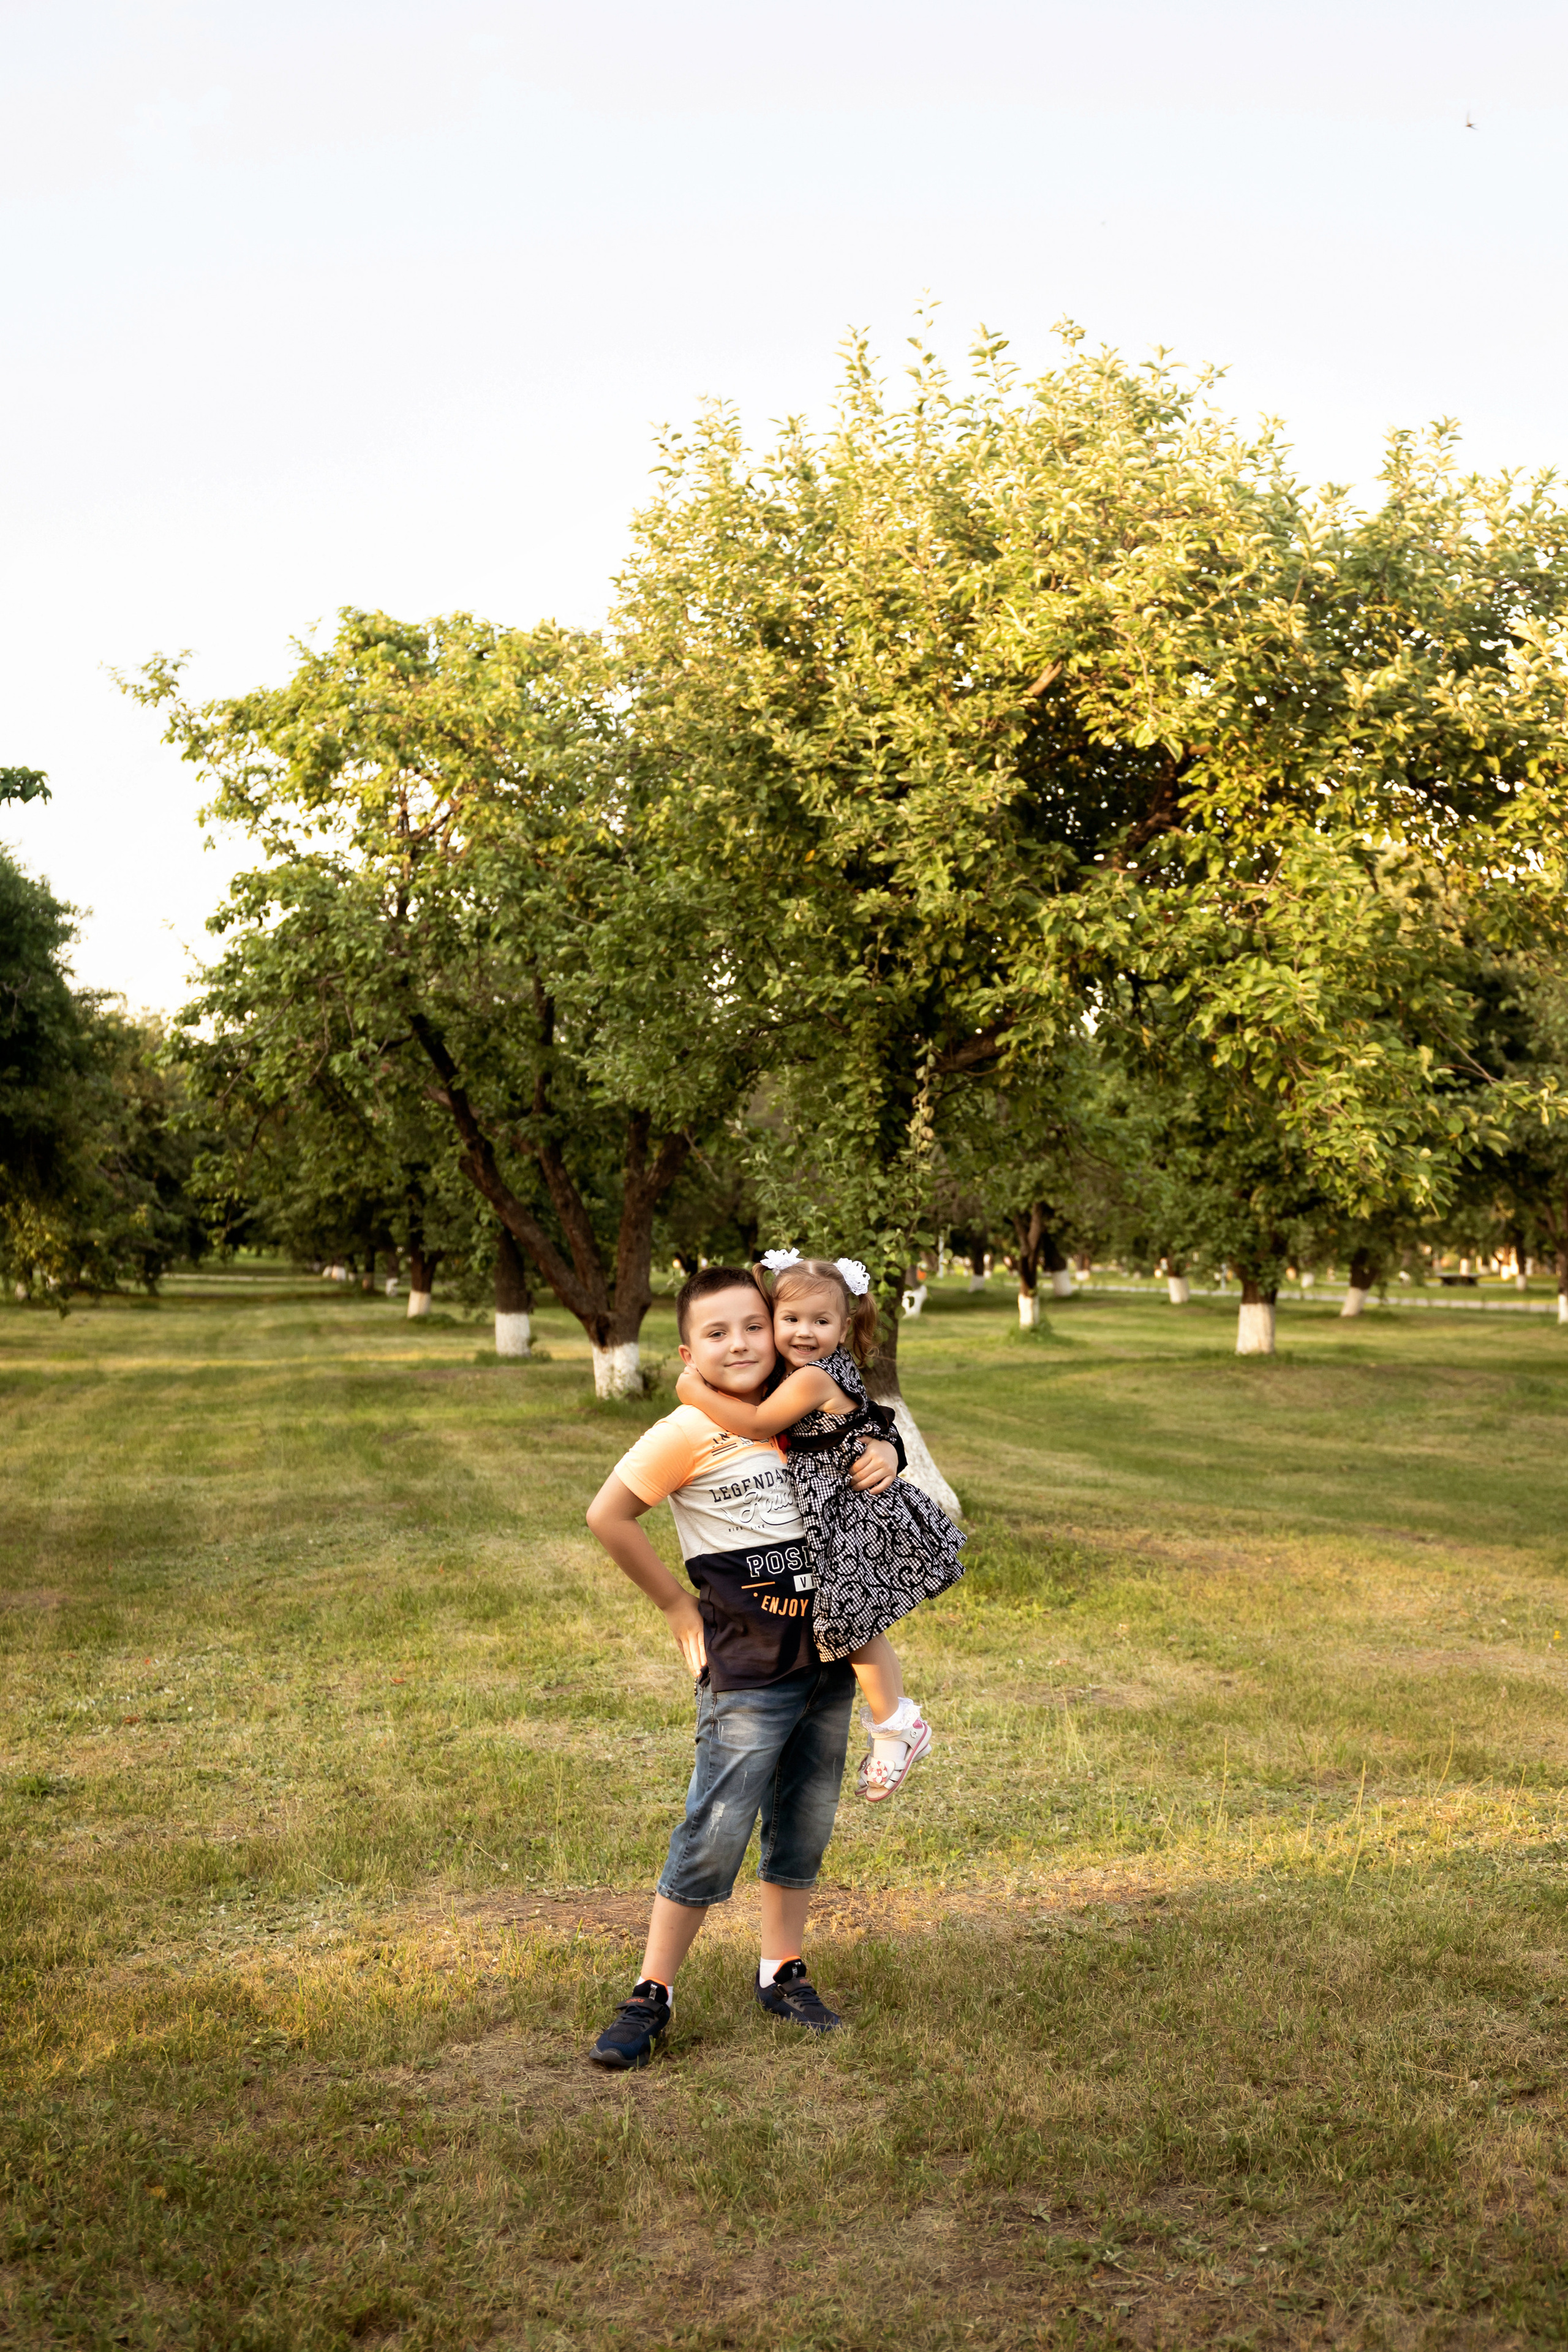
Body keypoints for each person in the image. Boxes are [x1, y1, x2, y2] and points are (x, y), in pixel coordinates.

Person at [582, 1265, 904, 2070]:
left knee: (802, 1819)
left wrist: (887, 1452)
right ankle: (651, 1990)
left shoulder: (798, 1414)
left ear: (778, 1326)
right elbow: (608, 1515)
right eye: (717, 1335)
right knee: (717, 1828)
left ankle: (782, 1970)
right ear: (689, 1352)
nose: (740, 1344)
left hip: (828, 1660)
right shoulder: (688, 1430)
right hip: (751, 1670)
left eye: (753, 1327)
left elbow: (869, 1432)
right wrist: (674, 1605)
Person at [676, 1249, 964, 1804]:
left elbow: (759, 1424)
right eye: (791, 1320)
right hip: (838, 1509)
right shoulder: (797, 1372)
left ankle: (897, 1725)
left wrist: (695, 1392)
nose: (804, 1333)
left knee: (852, 1625)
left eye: (821, 1322)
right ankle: (895, 1720)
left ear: (845, 1324)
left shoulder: (810, 1378)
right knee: (851, 1623)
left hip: (854, 1511)